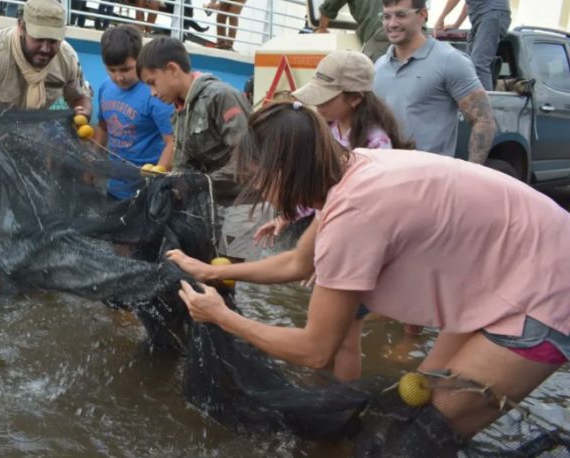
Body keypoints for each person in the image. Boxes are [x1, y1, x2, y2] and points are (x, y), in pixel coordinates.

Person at [167, 100, 570, 440]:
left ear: (286, 171)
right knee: (404, 408)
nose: (264, 197)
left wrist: (223, 317)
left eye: (260, 181)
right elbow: (298, 262)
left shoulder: (355, 213)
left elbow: (315, 349)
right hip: (507, 268)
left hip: (547, 282)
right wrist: (212, 273)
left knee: (423, 429)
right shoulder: (350, 167)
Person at [255, 50, 415, 380]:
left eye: (326, 99)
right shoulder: (330, 128)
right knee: (343, 329)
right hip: (341, 228)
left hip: (364, 236)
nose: (319, 105)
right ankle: (333, 381)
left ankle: (341, 397)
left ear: (355, 98)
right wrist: (286, 216)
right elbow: (319, 190)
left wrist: (328, 254)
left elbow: (362, 209)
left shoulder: (375, 144)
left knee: (347, 334)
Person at [137, 37, 260, 259]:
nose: (152, 93)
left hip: (242, 204)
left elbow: (248, 161)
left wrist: (198, 183)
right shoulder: (179, 114)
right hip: (210, 207)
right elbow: (184, 167)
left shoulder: (220, 97)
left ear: (172, 69)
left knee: (230, 273)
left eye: (152, 82)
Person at [373, 0, 496, 164]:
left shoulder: (450, 61)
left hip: (429, 182)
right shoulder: (380, 65)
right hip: (383, 177)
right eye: (386, 16)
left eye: (401, 15)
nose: (392, 24)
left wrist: (472, 171)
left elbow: (484, 121)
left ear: (422, 15)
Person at [96, 25, 175, 199]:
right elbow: (102, 128)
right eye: (111, 70)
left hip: (145, 192)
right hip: (114, 187)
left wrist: (156, 183)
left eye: (125, 69)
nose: (118, 77)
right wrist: (90, 166)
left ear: (140, 59)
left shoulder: (155, 94)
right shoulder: (105, 88)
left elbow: (173, 143)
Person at [433, 0, 511, 90]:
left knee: (479, 64)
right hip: (481, 17)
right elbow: (469, 0)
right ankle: (468, 103)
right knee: (468, 65)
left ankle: (486, 108)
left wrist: (441, 18)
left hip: (492, 13)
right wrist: (456, 24)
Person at [316, 0, 405, 62]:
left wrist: (322, 29)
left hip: (384, 29)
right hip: (418, 31)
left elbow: (331, 2)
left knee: (368, 72)